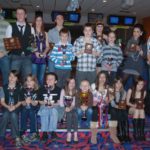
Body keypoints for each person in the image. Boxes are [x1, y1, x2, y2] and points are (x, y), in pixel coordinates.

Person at [6, 7, 35, 81]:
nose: (19, 15)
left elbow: (32, 46)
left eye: (21, 13)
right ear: (16, 15)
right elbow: (8, 45)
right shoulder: (10, 27)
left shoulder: (31, 28)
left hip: (27, 57)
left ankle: (26, 92)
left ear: (25, 15)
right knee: (13, 79)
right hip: (15, 56)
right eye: (18, 13)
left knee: (27, 79)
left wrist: (31, 49)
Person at [73, 23, 101, 88]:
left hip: (92, 69)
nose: (88, 32)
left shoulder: (96, 41)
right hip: (81, 69)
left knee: (91, 88)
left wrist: (95, 53)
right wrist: (81, 52)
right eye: (86, 30)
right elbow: (74, 53)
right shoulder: (78, 40)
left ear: (92, 31)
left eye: (89, 30)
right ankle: (78, 98)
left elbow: (100, 53)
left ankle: (90, 98)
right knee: (79, 87)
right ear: (83, 31)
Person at [0, 70, 22, 148]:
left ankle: (16, 137)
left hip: (17, 106)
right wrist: (8, 107)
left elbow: (20, 101)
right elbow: (2, 101)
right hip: (6, 106)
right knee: (5, 114)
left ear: (17, 79)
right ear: (8, 77)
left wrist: (14, 107)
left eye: (14, 76)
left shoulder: (20, 87)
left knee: (13, 114)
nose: (12, 78)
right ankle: (1, 135)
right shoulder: (3, 87)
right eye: (10, 76)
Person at [38, 73, 61, 142]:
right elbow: (40, 101)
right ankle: (44, 132)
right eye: (48, 79)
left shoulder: (59, 90)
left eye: (52, 79)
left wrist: (53, 105)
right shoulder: (42, 89)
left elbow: (59, 102)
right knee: (44, 111)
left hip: (55, 106)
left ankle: (52, 131)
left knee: (53, 111)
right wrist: (45, 102)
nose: (49, 80)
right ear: (46, 80)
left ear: (55, 81)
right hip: (44, 105)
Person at [110, 77, 130, 143]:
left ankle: (126, 134)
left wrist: (120, 106)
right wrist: (117, 92)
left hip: (120, 106)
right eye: (117, 83)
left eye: (120, 83)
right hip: (113, 106)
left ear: (122, 84)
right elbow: (113, 103)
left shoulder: (124, 91)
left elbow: (122, 102)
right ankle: (120, 133)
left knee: (124, 111)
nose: (118, 85)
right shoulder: (111, 90)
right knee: (118, 111)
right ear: (114, 84)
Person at [126, 77, 146, 141]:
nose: (140, 86)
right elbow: (127, 103)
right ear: (135, 84)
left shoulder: (144, 92)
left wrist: (143, 105)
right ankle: (136, 133)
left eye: (142, 84)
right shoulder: (130, 90)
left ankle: (141, 133)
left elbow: (142, 102)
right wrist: (133, 105)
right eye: (139, 84)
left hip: (139, 109)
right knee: (138, 110)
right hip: (130, 107)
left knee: (141, 110)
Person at [20, 75, 39, 143]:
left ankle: (34, 132)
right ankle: (22, 132)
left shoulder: (37, 90)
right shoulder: (23, 90)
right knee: (24, 110)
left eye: (31, 80)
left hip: (34, 107)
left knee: (31, 111)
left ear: (34, 82)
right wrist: (26, 102)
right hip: (25, 107)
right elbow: (22, 103)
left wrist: (30, 101)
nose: (29, 82)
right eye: (27, 81)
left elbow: (36, 103)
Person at [31, 16, 49, 85]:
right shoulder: (32, 32)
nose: (38, 22)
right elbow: (30, 45)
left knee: (41, 78)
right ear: (35, 22)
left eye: (40, 20)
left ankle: (40, 93)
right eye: (37, 20)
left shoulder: (45, 33)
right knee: (34, 77)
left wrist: (44, 52)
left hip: (43, 58)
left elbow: (48, 46)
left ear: (42, 22)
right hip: (34, 57)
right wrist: (36, 52)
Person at [59, 77, 78, 143]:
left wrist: (70, 107)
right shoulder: (63, 90)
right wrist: (66, 107)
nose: (72, 84)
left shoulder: (75, 91)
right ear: (67, 83)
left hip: (73, 107)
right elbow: (61, 103)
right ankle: (69, 134)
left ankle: (75, 133)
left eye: (73, 83)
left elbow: (74, 103)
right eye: (70, 82)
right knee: (69, 114)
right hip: (64, 108)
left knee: (75, 114)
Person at [0, 4, 10, 86]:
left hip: (4, 55)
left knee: (6, 78)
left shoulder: (7, 24)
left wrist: (3, 53)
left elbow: (11, 44)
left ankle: (5, 97)